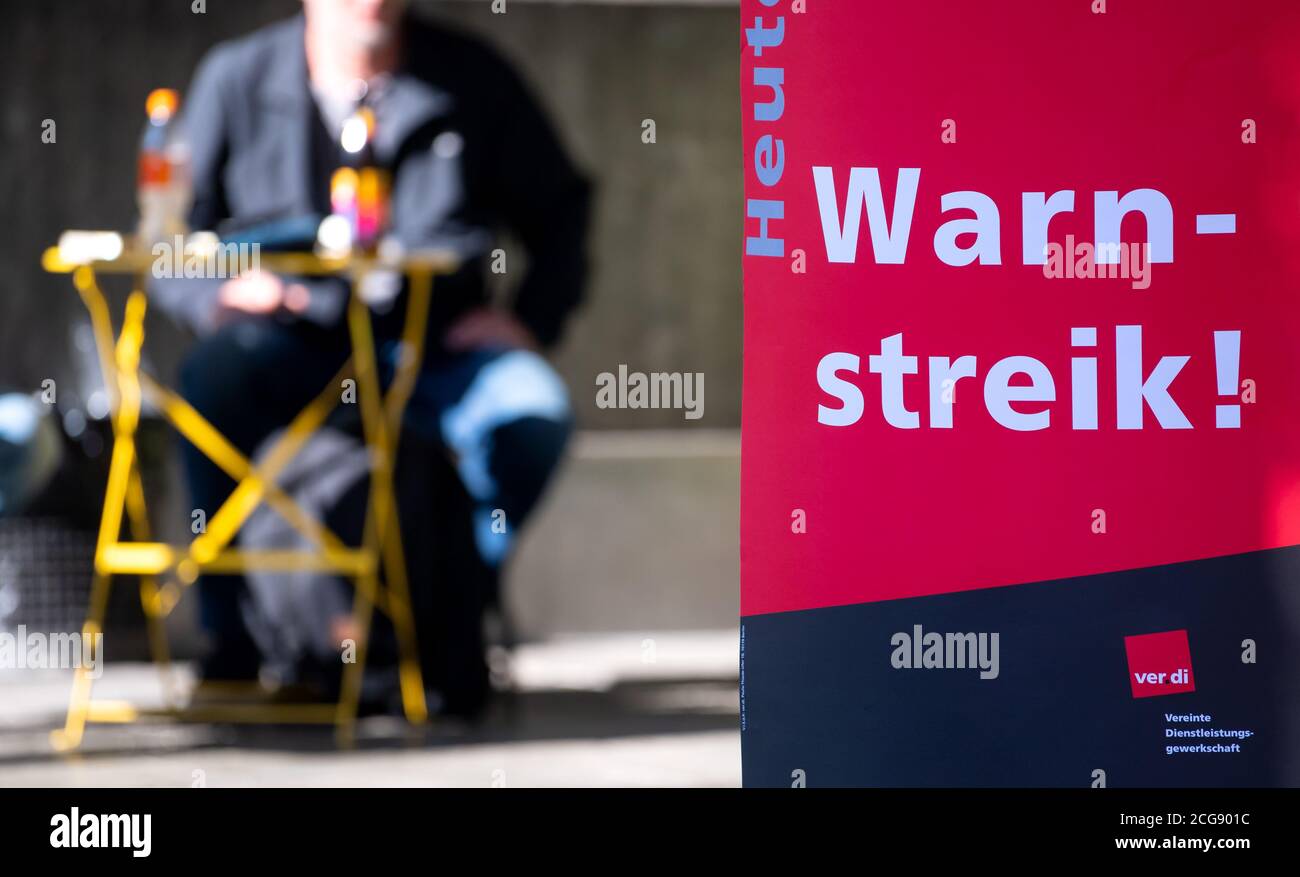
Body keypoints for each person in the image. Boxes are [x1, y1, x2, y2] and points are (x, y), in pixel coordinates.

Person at [151, 0, 590, 710]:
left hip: (432, 345)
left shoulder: (469, 77)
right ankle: (231, 637)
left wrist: (528, 321)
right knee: (211, 382)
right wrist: (220, 295)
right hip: (293, 344)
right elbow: (166, 235)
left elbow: (564, 206)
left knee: (530, 410)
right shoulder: (237, 78)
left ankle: (446, 611)